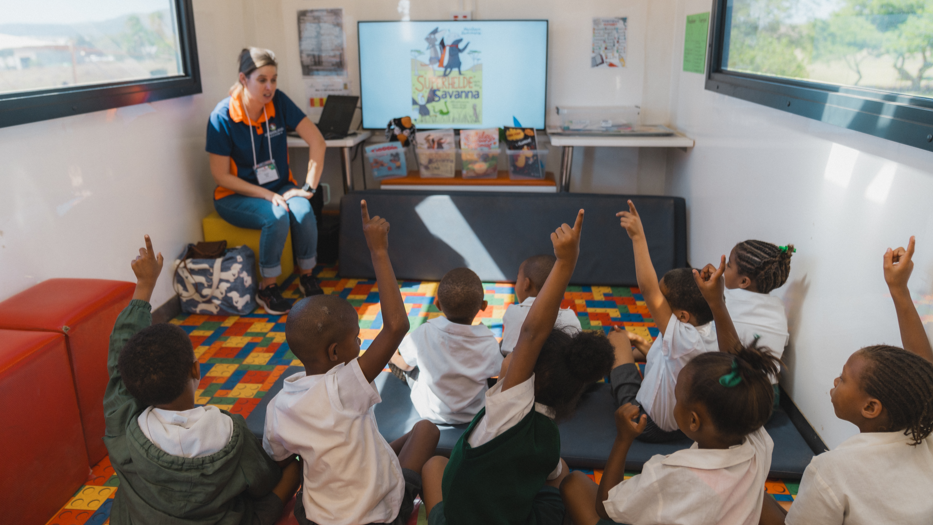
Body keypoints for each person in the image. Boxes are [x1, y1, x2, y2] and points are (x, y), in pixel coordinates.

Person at [421, 210, 616, 525]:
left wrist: (565, 263)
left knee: (433, 467)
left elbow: (532, 333)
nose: (510, 356)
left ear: (531, 377)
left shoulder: (508, 406)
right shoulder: (549, 433)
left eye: (520, 357)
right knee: (562, 472)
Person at [262, 201, 440, 525]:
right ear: (333, 353)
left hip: (317, 518)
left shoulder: (279, 406)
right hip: (379, 515)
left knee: (360, 447)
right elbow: (397, 326)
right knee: (427, 431)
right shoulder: (343, 387)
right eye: (356, 338)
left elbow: (277, 456)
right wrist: (379, 252)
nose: (361, 343)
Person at [104, 235, 300, 524]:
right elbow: (263, 480)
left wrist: (144, 287)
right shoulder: (231, 433)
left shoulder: (121, 424)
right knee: (292, 468)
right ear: (196, 371)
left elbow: (119, 361)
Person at [761, 237, 933, 525]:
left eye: (844, 378)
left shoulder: (832, 470)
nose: (835, 380)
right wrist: (899, 289)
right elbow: (926, 371)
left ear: (870, 407)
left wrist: (752, 492)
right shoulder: (925, 435)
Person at [560, 340, 778, 525]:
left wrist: (623, 439)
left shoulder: (669, 474)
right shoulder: (759, 443)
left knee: (574, 483)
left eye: (677, 397)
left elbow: (605, 506)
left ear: (693, 420)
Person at [206, 47, 328, 315]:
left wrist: (308, 187)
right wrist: (264, 194)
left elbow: (317, 141)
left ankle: (306, 276)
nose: (269, 86)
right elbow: (220, 175)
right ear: (243, 78)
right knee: (277, 216)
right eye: (262, 80)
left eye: (273, 79)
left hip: (279, 186)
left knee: (304, 210)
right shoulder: (222, 116)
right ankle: (268, 287)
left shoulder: (279, 102)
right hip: (234, 195)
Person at [612, 200, 718, 442]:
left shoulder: (685, 339)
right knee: (635, 344)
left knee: (615, 341)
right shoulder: (707, 330)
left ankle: (626, 351)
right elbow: (671, 363)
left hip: (647, 425)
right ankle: (638, 344)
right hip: (682, 425)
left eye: (664, 299)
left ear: (682, 316)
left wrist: (638, 237)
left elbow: (648, 290)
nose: (657, 303)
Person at [389, 267, 503, 425]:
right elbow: (499, 372)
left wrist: (393, 357)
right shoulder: (488, 342)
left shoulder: (425, 332)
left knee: (408, 360)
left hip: (431, 412)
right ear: (483, 306)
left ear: (437, 304)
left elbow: (406, 365)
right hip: (474, 414)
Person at [710, 240, 793, 392]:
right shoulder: (778, 305)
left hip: (736, 391)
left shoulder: (728, 302)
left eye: (728, 265)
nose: (723, 269)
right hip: (769, 394)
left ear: (743, 281)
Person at [500, 254, 582, 355]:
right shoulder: (571, 317)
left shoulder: (513, 312)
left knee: (501, 344)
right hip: (559, 369)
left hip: (519, 368)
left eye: (517, 279)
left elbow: (507, 351)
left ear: (526, 284)